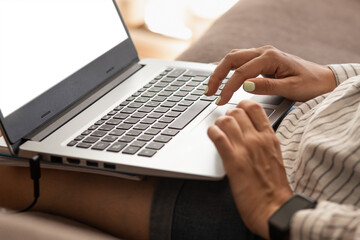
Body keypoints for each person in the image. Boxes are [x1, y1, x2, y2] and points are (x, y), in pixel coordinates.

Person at [0, 45, 359, 240]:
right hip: (315, 114)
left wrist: (281, 210)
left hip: (295, 202)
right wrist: (337, 79)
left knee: (16, 176)